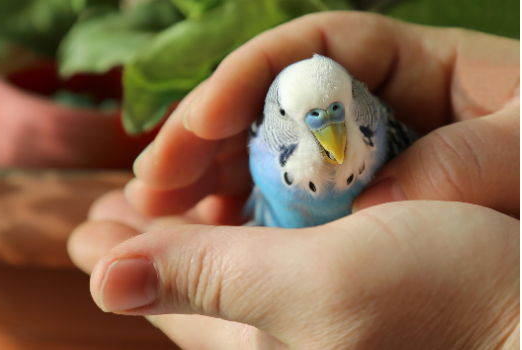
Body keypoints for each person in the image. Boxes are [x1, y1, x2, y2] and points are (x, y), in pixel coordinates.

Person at [67, 12, 520, 349]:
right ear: (272, 120)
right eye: (304, 117)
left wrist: (502, 324)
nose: (328, 127)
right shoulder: (261, 148)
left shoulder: (387, 138)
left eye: (338, 110)